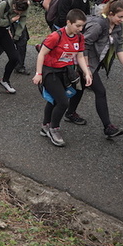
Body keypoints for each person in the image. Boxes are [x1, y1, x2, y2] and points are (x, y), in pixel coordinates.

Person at [32, 9, 93, 147]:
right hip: (50, 72)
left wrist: (87, 72)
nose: (80, 29)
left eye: (82, 26)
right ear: (68, 22)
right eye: (78, 25)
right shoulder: (55, 36)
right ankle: (54, 129)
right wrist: (38, 73)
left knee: (54, 100)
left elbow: (80, 56)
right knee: (63, 102)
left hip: (65, 72)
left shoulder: (79, 37)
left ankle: (45, 126)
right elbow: (41, 54)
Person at [75, 0, 123, 138]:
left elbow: (119, 46)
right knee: (100, 91)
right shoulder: (98, 25)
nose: (122, 20)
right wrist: (87, 69)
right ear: (111, 13)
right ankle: (108, 127)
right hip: (84, 61)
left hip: (94, 62)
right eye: (120, 17)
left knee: (80, 88)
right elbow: (83, 46)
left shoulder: (117, 26)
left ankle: (69, 113)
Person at [0, 0, 29, 95]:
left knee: (14, 58)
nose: (18, 13)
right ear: (14, 5)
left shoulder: (25, 6)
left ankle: (5, 80)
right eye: (17, 11)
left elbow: (22, 21)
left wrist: (16, 36)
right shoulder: (3, 5)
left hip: (5, 32)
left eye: (20, 12)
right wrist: (11, 20)